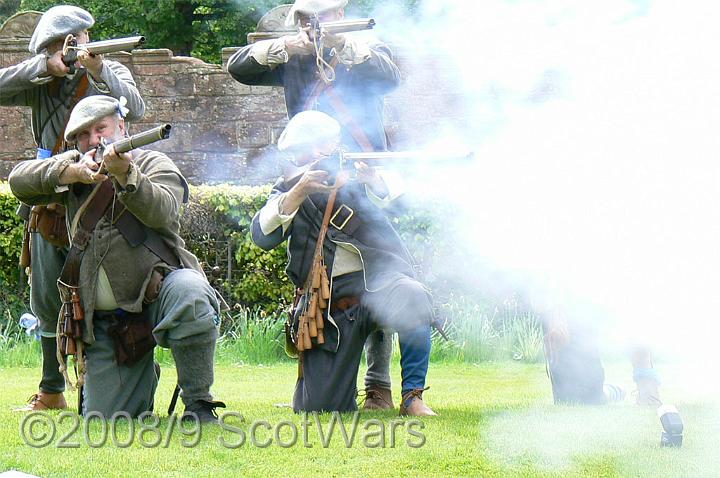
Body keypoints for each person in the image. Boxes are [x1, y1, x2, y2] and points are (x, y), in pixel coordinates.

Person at [227, 0, 401, 409]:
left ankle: (379, 384)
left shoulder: (365, 49)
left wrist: (348, 49)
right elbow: (238, 67)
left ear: (340, 16)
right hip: (314, 173)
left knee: (378, 274)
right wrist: (289, 47)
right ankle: (312, 373)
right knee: (312, 274)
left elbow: (390, 77)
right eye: (308, 20)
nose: (316, 24)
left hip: (363, 173)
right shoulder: (294, 56)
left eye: (323, 17)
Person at [8, 95, 224, 422]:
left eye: (101, 128)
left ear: (121, 127)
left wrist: (127, 176)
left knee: (191, 293)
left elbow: (163, 211)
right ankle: (140, 374)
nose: (94, 139)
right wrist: (69, 172)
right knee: (106, 418)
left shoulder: (153, 163)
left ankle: (198, 403)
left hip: (160, 294)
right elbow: (19, 181)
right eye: (84, 134)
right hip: (112, 323)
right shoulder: (75, 174)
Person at [0, 5, 145, 411]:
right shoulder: (39, 80)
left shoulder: (108, 72)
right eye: (63, 45)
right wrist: (44, 67)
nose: (76, 48)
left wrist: (98, 70)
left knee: (104, 292)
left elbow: (136, 107)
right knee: (46, 296)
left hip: (100, 193)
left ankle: (98, 382)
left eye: (77, 40)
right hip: (53, 191)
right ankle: (51, 389)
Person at [251, 110, 436, 415]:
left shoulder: (359, 173)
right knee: (320, 407)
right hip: (332, 304)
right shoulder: (290, 190)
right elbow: (262, 234)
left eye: (319, 146)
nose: (312, 154)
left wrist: (373, 180)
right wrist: (299, 192)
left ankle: (412, 396)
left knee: (413, 295)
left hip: (379, 284)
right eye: (305, 150)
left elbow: (402, 204)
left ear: (334, 143)